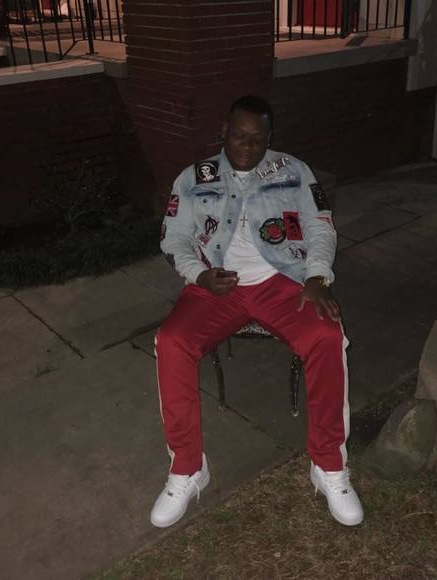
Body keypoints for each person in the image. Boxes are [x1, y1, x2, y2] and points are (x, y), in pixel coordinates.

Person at [150, 95, 364, 528]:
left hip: (282, 281)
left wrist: (317, 277)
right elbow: (173, 239)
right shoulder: (193, 179)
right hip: (217, 285)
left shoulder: (293, 171)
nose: (247, 146)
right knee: (171, 342)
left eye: (257, 138)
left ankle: (328, 464)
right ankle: (188, 468)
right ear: (223, 132)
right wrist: (198, 275)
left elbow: (321, 226)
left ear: (270, 137)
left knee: (327, 337)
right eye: (238, 136)